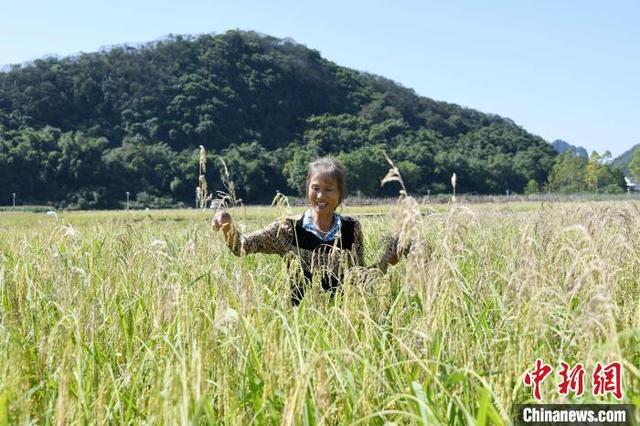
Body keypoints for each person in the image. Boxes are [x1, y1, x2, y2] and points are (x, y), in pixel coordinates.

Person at [212, 157, 403, 305]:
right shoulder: (288, 228)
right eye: (315, 188)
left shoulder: (350, 229)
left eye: (329, 189)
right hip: (300, 326)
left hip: (341, 324)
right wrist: (228, 225)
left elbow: (358, 281)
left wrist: (386, 262)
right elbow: (242, 247)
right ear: (307, 189)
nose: (321, 196)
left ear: (340, 193)